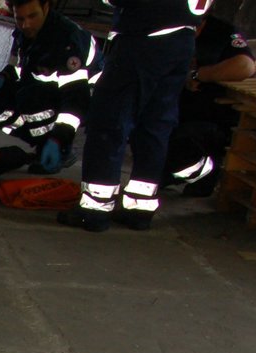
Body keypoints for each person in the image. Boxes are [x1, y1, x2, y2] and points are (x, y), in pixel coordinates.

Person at [58, 0, 206, 232]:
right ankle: (139, 209)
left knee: (109, 122)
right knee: (154, 125)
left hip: (145, 37)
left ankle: (94, 209)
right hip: (182, 40)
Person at [0, 0, 105, 175]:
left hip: (90, 98)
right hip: (51, 91)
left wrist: (59, 139)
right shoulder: (25, 33)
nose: (25, 24)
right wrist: (3, 77)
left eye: (32, 16)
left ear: (46, 7)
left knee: (29, 97)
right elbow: (24, 67)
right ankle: (42, 145)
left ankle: (59, 150)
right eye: (19, 18)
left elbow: (76, 99)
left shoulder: (65, 39)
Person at [163, 12, 256, 194]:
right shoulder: (160, 22)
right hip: (164, 112)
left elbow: (245, 66)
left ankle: (202, 171)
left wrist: (199, 74)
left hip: (202, 118)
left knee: (185, 144)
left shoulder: (220, 31)